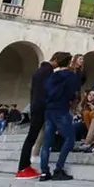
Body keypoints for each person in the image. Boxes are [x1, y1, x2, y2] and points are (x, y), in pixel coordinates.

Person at [15, 52, 61, 180]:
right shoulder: (48, 72)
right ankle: (23, 168)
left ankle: (24, 166)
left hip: (35, 106)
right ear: (56, 60)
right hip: (41, 107)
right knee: (32, 137)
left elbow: (34, 91)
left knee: (32, 137)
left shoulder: (40, 70)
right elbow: (47, 91)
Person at [39, 52, 81, 181]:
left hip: (49, 110)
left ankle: (44, 172)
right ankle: (59, 168)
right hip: (61, 109)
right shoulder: (70, 76)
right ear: (69, 62)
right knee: (69, 139)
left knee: (47, 143)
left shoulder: (52, 76)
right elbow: (72, 93)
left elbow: (45, 91)